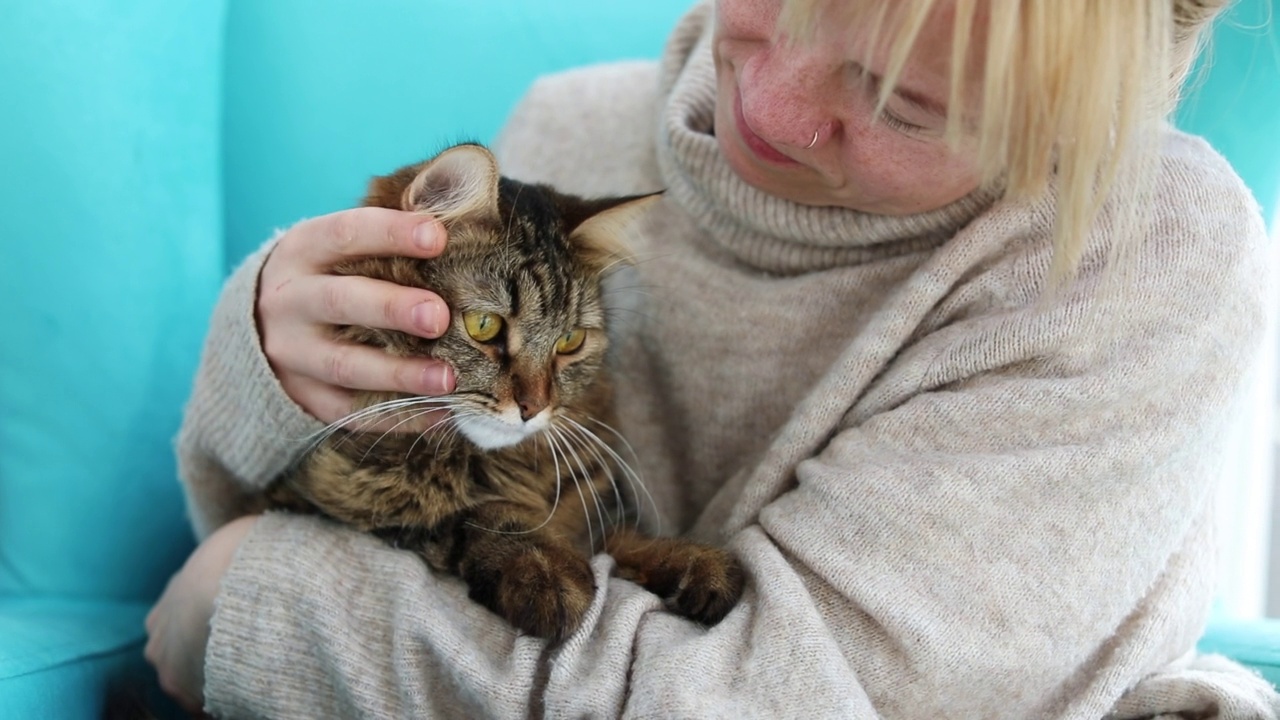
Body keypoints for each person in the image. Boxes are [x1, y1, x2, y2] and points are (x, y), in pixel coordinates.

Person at [146, 0, 1280, 717]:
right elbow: (383, 523)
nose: (771, 108)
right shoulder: (573, 134)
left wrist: (255, 609)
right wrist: (265, 365)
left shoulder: (1136, 250)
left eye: (905, 102)